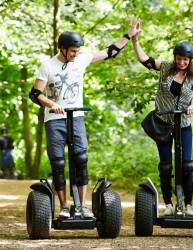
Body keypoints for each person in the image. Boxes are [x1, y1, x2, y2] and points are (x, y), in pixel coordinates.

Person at [29, 21, 140, 218]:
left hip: (77, 117)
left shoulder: (80, 60)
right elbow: (35, 94)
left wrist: (129, 35)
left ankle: (81, 205)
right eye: (72, 51)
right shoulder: (47, 65)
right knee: (58, 162)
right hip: (54, 120)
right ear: (62, 49)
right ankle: (63, 206)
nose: (75, 55)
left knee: (81, 159)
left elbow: (110, 51)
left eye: (77, 51)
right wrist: (52, 104)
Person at [131, 18, 193, 216]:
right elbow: (144, 60)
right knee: (166, 166)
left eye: (185, 60)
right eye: (179, 58)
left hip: (183, 125)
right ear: (175, 57)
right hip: (163, 123)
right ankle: (169, 205)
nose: (182, 62)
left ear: (190, 61)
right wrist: (134, 40)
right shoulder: (164, 68)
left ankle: (187, 205)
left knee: (187, 165)